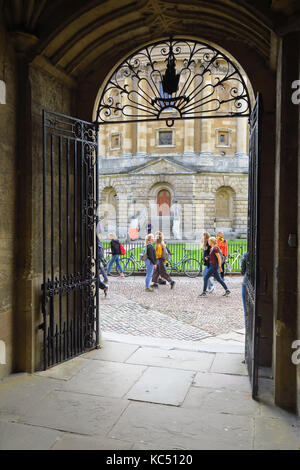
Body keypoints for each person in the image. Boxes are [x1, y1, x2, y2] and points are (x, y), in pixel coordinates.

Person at [240, 251, 248, 325]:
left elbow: (243, 268)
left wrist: (243, 271)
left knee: (247, 311)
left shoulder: (247, 253)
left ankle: (248, 330)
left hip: (247, 281)